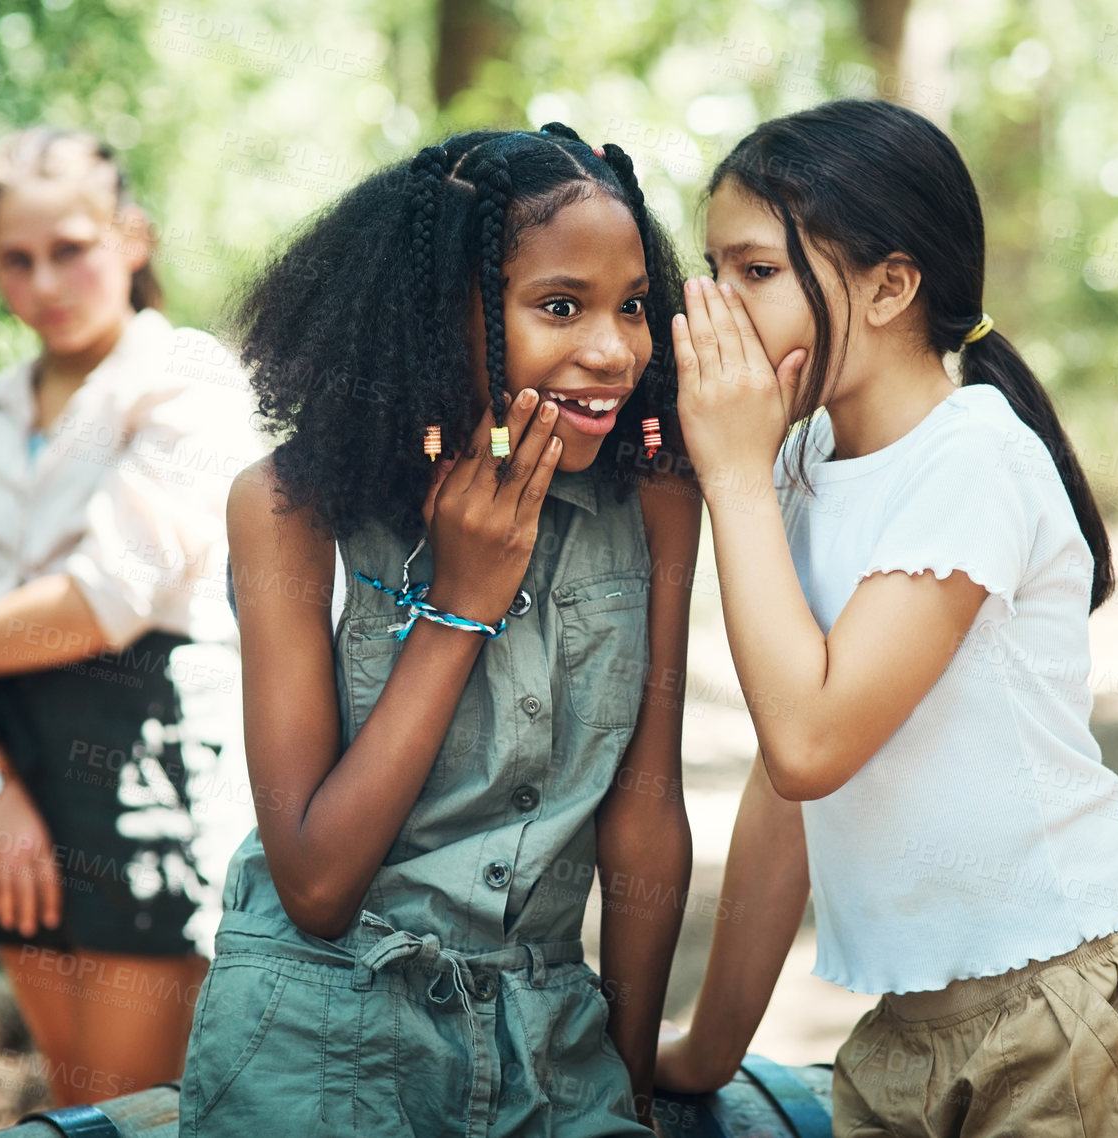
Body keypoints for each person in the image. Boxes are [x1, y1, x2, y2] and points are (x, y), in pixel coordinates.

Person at [653, 99, 1118, 1136]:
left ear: (890, 284)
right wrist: (708, 1049)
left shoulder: (972, 457)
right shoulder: (799, 463)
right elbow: (781, 787)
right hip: (905, 1038)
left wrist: (734, 478)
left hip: (1075, 1020)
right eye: (713, 269)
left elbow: (809, 744)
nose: (717, 307)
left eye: (757, 271)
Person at [179, 122, 697, 1137]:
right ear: (433, 319)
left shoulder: (658, 500)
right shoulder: (291, 508)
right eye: (560, 306)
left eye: (633, 306)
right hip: (321, 1032)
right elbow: (317, 882)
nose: (615, 349)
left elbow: (645, 809)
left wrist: (625, 1086)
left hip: (556, 1042)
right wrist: (462, 604)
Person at [0, 127, 263, 1106]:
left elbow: (103, 602)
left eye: (72, 248)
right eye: (16, 258)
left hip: (136, 760)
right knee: (69, 1093)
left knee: (134, 1106)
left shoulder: (188, 380)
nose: (46, 280)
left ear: (131, 238)